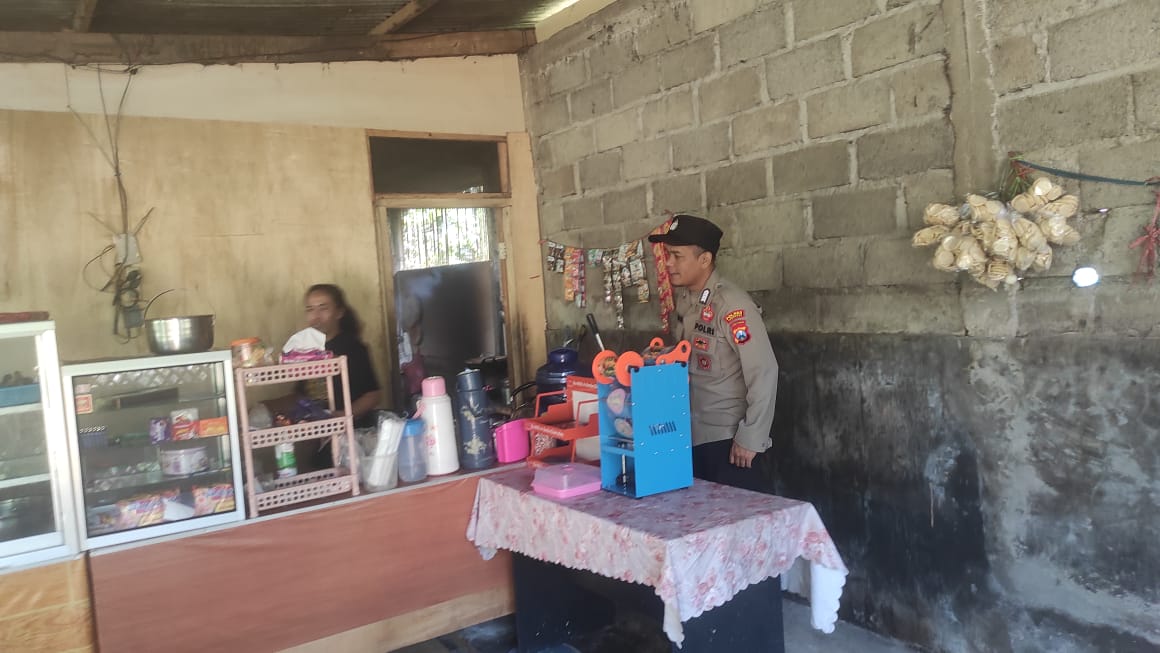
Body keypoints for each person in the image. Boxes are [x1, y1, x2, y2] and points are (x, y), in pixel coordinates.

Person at [647, 214, 779, 492]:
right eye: (667, 254)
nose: (668, 263)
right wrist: (660, 356)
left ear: (704, 260)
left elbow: (764, 370)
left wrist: (751, 437)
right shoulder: (686, 300)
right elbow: (691, 354)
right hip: (690, 435)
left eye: (677, 256)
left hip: (728, 443)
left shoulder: (732, 306)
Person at [301, 284, 382, 468]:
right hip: (322, 442)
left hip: (352, 441)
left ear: (339, 312)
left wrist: (340, 417)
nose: (316, 316)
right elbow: (301, 394)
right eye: (310, 309)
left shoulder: (353, 348)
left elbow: (373, 395)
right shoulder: (306, 351)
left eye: (323, 308)